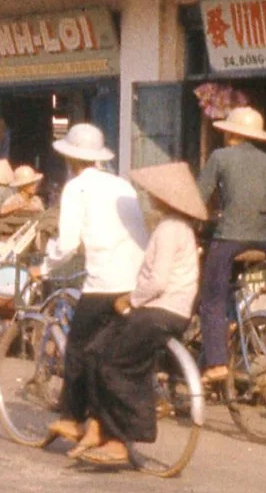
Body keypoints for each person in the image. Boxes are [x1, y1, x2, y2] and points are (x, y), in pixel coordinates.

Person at [73, 163, 207, 466]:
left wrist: (130, 299)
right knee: (94, 351)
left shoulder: (169, 229)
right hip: (159, 310)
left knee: (114, 363)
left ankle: (120, 441)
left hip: (160, 311)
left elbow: (158, 281)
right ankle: (98, 425)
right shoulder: (177, 228)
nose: (148, 196)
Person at [37, 123, 150, 447]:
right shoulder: (122, 185)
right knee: (109, 351)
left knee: (77, 348)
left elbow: (68, 243)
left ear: (70, 158)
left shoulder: (76, 188)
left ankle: (72, 418)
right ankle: (102, 421)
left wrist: (43, 266)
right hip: (135, 278)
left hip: (105, 281)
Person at [195, 105, 266, 384]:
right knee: (227, 290)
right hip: (262, 240)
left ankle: (217, 362)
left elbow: (198, 197)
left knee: (210, 299)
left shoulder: (220, 157)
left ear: (230, 133)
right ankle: (230, 324)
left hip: (230, 237)